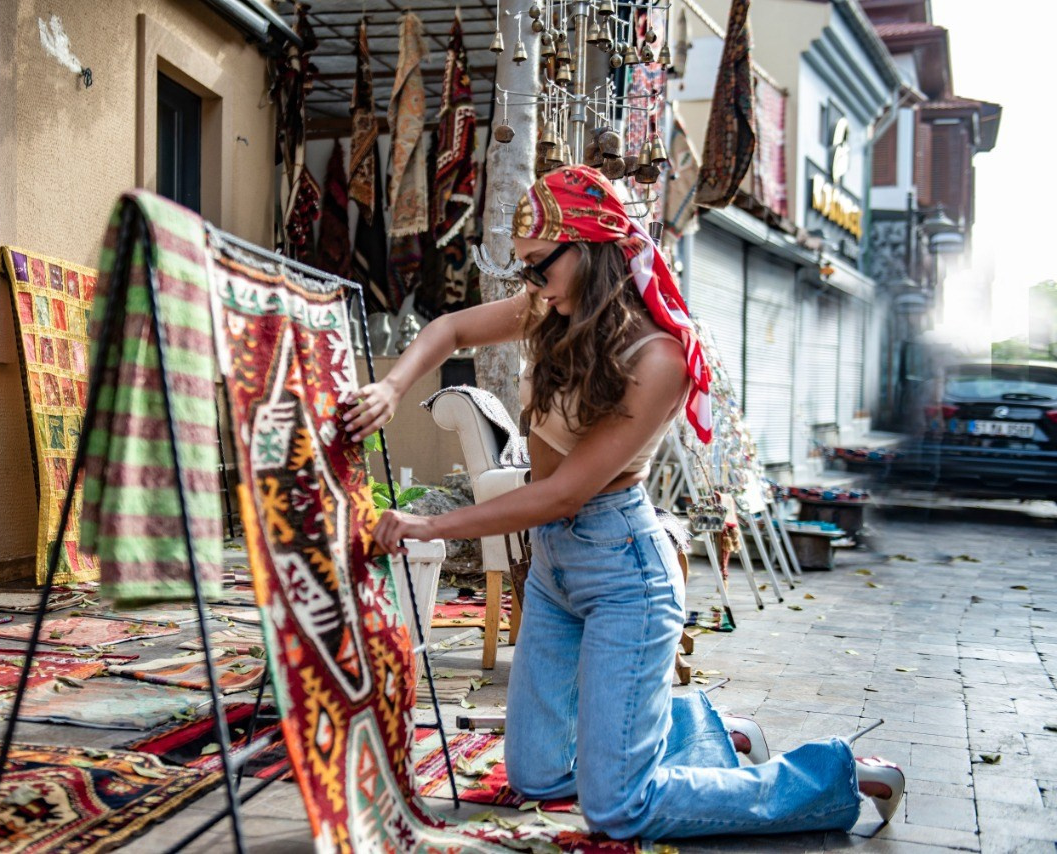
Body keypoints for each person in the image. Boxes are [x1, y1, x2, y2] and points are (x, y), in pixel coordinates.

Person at [345, 165, 904, 842]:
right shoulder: (549, 309)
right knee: (539, 776)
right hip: (554, 568)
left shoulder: (659, 357)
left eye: (537, 266)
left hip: (625, 575)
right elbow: (452, 330)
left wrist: (429, 526)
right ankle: (701, 729)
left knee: (617, 808)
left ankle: (837, 774)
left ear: (586, 249)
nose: (529, 284)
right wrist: (392, 387)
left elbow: (563, 491)